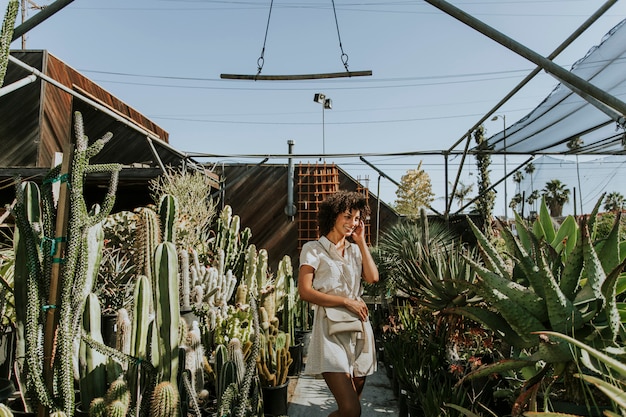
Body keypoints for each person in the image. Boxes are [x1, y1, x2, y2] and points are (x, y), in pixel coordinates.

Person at [298, 190, 379, 417]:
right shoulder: (313, 249)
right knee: (351, 409)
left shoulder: (355, 250)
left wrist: (361, 242)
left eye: (356, 218)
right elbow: (305, 291)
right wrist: (346, 301)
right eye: (347, 216)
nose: (352, 222)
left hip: (359, 328)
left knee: (352, 408)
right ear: (333, 215)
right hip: (330, 330)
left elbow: (373, 278)